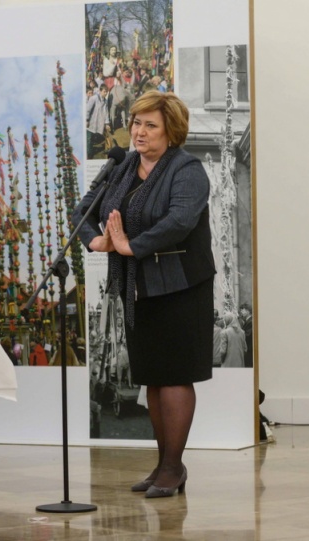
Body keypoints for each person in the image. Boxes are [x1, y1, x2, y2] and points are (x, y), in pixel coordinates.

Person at [72, 91, 214, 498]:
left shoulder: (187, 170)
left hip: (181, 286)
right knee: (152, 378)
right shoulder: (122, 166)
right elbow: (84, 209)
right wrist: (96, 240)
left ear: (172, 130)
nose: (139, 131)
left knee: (174, 377)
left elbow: (179, 221)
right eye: (136, 123)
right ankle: (163, 464)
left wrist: (132, 245)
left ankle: (173, 467)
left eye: (150, 125)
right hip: (137, 287)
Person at [85, 85, 109, 158]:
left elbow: (106, 112)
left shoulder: (105, 101)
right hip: (90, 122)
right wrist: (87, 120)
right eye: (104, 92)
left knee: (93, 138)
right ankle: (89, 155)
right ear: (100, 91)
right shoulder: (94, 98)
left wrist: (107, 123)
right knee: (88, 139)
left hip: (98, 122)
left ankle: (91, 151)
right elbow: (87, 110)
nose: (106, 93)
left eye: (106, 92)